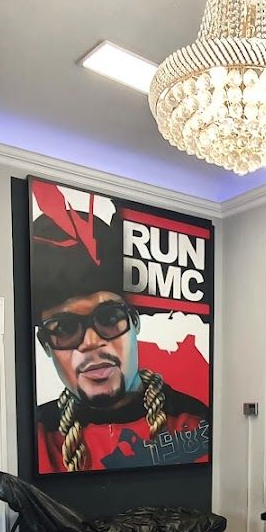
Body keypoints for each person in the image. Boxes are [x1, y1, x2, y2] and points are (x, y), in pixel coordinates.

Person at [29, 184, 210, 473]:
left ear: (135, 322)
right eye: (64, 328)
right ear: (45, 345)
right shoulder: (36, 434)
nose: (90, 342)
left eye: (109, 319)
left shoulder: (193, 420)